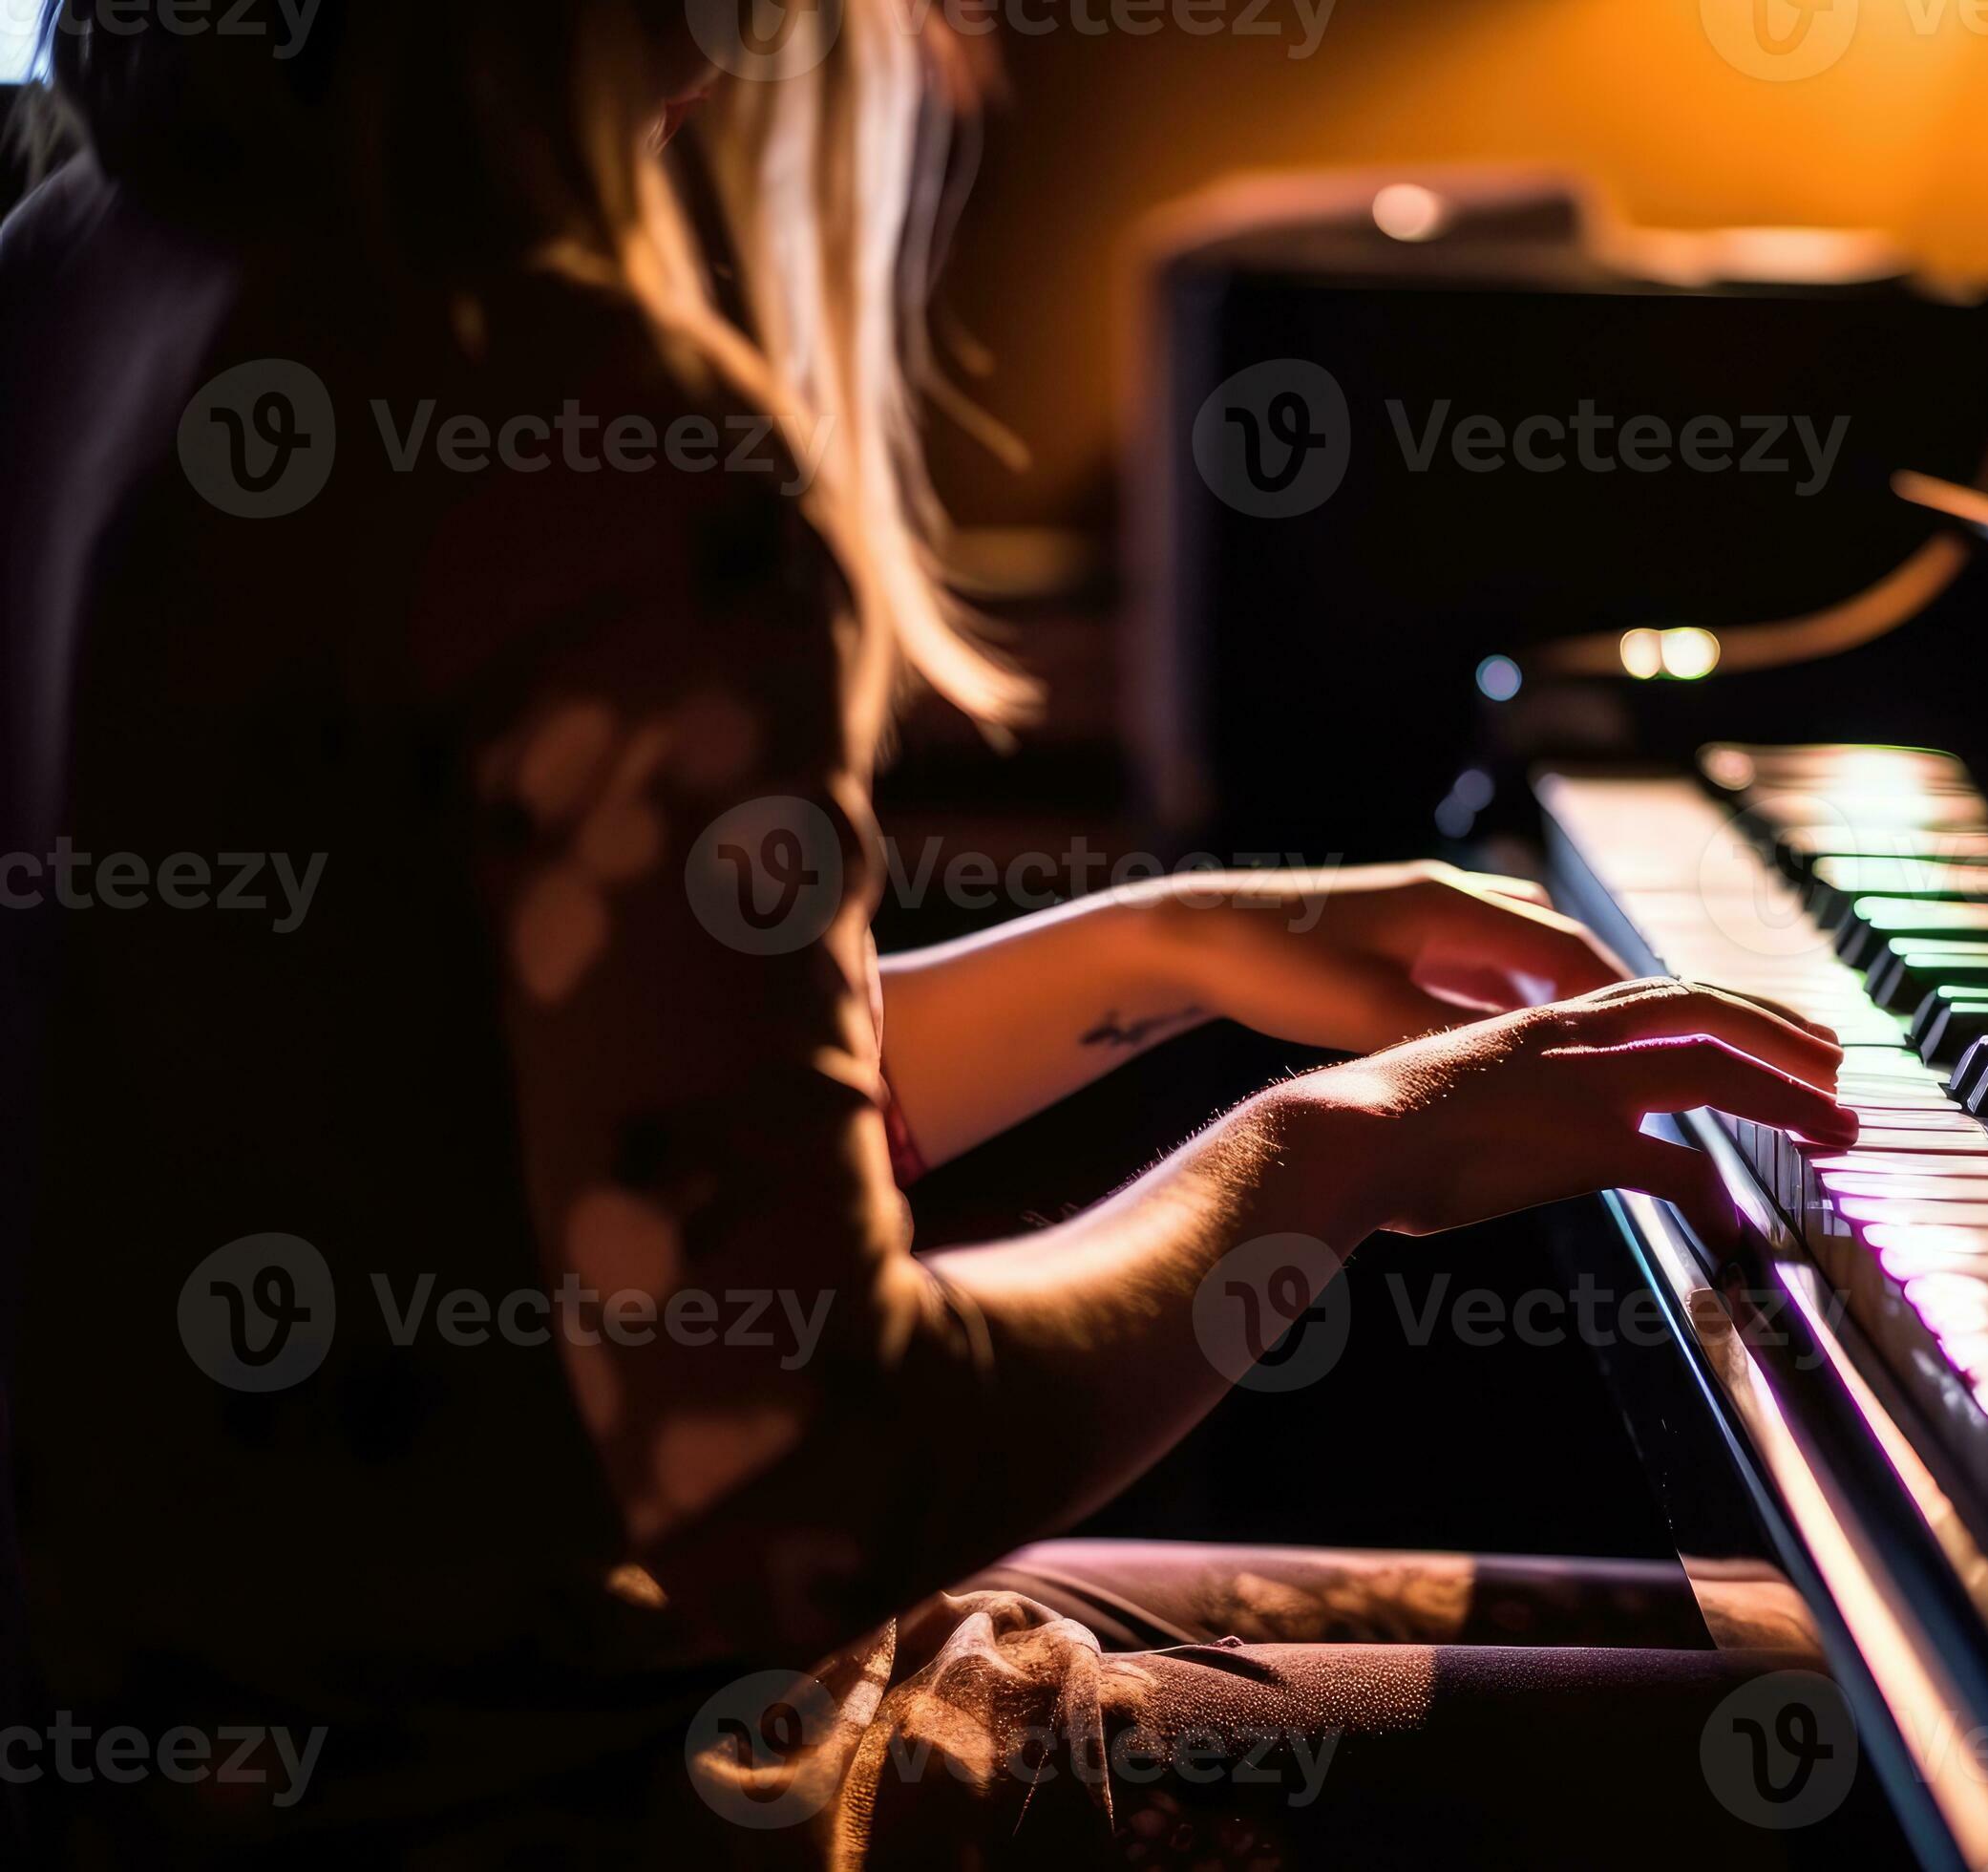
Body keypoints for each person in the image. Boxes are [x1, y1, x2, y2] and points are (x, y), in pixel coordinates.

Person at [2, 4, 1871, 1862]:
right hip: (584, 1783)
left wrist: (1165, 951)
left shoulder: (82, 268)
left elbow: (563, 1125)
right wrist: (1329, 1156)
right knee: (1896, 1751)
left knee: (1818, 1653)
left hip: (223, 1741)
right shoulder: (575, 408)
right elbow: (806, 1485)